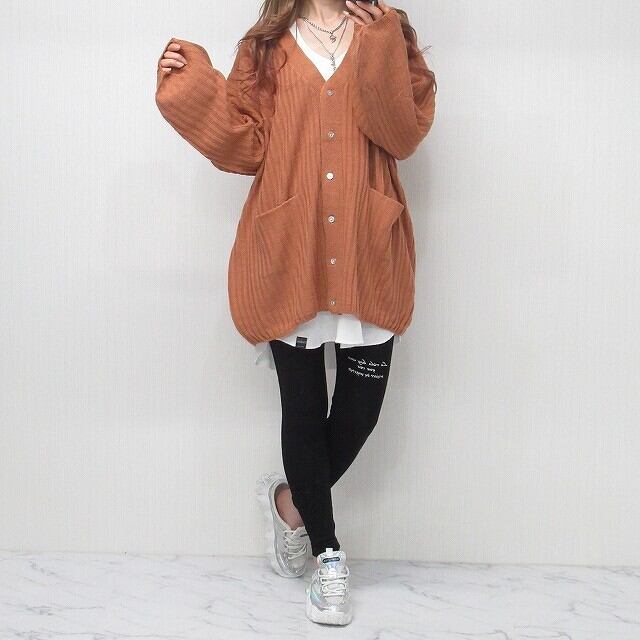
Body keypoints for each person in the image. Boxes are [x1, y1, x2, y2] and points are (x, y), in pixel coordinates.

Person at [155, 0, 436, 626]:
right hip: (291, 247)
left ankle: (290, 501)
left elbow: (402, 133)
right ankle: (328, 556)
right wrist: (190, 90)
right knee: (303, 410)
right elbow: (246, 146)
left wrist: (382, 39)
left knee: (359, 414)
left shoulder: (386, 31)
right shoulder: (266, 45)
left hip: (365, 245)